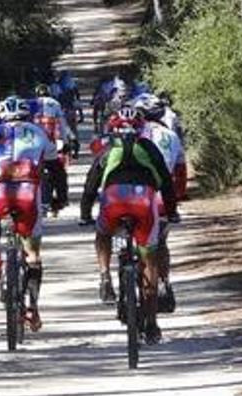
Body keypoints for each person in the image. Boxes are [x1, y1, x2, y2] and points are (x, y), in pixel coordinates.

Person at [80, 106, 178, 344]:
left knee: (103, 233)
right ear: (141, 128)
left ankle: (104, 276)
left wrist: (85, 214)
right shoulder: (148, 147)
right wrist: (172, 211)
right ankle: (152, 323)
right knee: (149, 259)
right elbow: (165, 182)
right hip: (144, 202)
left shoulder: (108, 149)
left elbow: (91, 184)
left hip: (113, 201)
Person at [0, 96, 67, 331]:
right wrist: (59, 198)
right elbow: (56, 169)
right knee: (33, 255)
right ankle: (32, 306)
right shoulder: (39, 132)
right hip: (29, 194)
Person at [137, 95, 188, 313]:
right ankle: (164, 283)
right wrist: (176, 197)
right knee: (160, 243)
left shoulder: (133, 134)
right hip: (161, 198)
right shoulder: (171, 136)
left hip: (134, 194)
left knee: (131, 240)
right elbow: (180, 172)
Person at [31, 85, 76, 215]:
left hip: (31, 147)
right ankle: (62, 199)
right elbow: (62, 124)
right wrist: (69, 141)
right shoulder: (54, 103)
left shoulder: (30, 104)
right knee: (59, 173)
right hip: (50, 145)